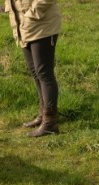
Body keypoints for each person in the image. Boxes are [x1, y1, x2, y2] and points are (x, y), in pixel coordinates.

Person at [4, 0, 61, 137]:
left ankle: (50, 121)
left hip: (42, 26)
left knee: (44, 73)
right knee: (36, 72)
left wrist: (31, 15)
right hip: (24, 27)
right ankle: (43, 114)